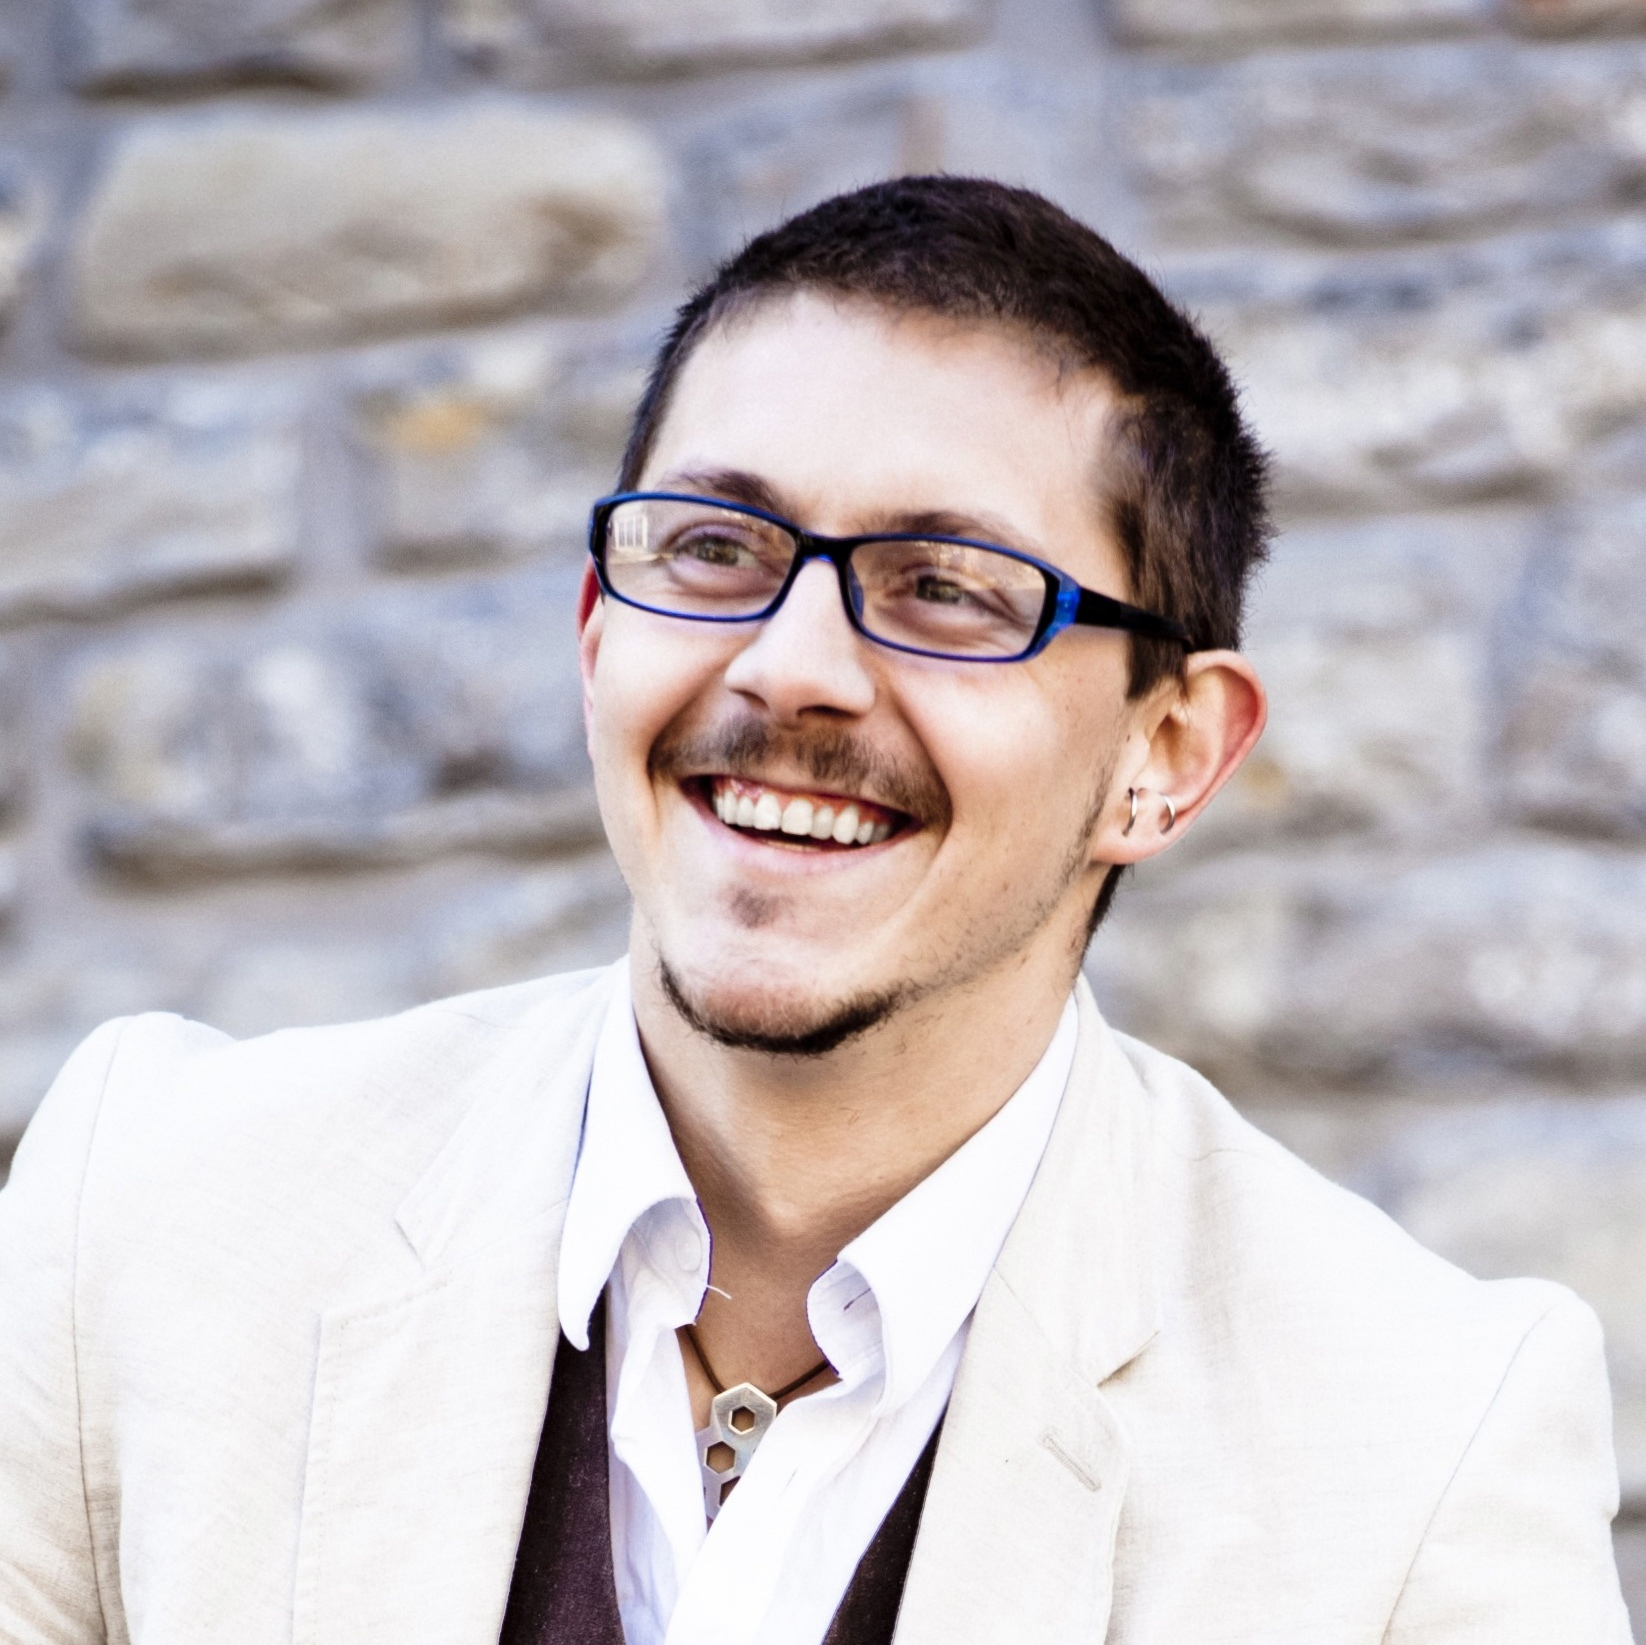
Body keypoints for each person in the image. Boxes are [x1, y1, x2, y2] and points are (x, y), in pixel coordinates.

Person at [0, 177, 1631, 1645]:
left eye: (947, 587)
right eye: (715, 546)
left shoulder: (1417, 1451)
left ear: (1163, 756)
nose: (787, 665)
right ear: (594, 632)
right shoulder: (144, 1220)